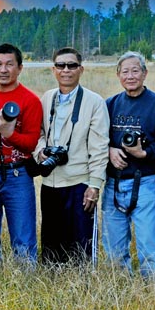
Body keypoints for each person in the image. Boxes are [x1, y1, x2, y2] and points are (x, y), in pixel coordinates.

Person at [34, 47, 110, 264]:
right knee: (51, 247)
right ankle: (55, 290)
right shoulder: (47, 98)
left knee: (81, 248)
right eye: (60, 65)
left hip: (79, 183)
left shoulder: (94, 102)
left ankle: (84, 291)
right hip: (50, 182)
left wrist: (94, 185)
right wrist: (41, 152)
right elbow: (38, 133)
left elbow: (99, 148)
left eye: (71, 65)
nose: (65, 70)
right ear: (53, 69)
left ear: (81, 69)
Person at [102, 51, 155, 277]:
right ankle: (119, 284)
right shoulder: (110, 104)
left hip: (144, 181)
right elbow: (97, 138)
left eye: (135, 70)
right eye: (125, 71)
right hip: (113, 182)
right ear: (118, 75)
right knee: (113, 243)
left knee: (146, 240)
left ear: (145, 74)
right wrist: (109, 150)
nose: (130, 76)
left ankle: (153, 286)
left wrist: (143, 153)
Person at [0, 43, 42, 264]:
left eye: (9, 64)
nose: (4, 70)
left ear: (20, 68)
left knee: (23, 237)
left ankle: (25, 282)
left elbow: (31, 144)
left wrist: (8, 133)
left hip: (17, 175)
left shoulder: (30, 100)